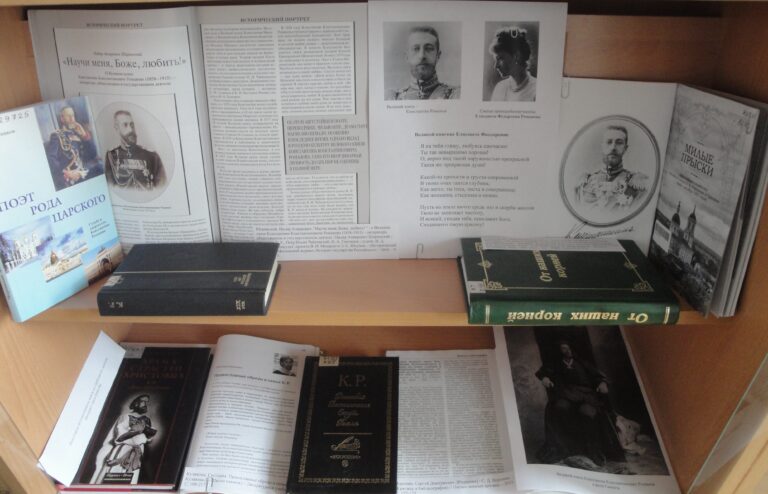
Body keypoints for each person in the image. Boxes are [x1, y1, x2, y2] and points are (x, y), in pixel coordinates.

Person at [535, 341, 625, 466]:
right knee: (559, 408)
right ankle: (566, 448)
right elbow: (542, 372)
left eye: (569, 348)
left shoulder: (582, 363)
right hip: (566, 394)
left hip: (586, 395)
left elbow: (597, 376)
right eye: (564, 348)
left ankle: (593, 450)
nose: (567, 351)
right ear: (560, 351)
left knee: (588, 413)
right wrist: (544, 378)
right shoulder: (556, 364)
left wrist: (602, 383)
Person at [574, 125, 649, 211]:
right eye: (609, 142)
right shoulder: (584, 183)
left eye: (619, 143)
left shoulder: (636, 184)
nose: (613, 147)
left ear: (625, 148)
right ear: (602, 146)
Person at [91, 394, 157, 484]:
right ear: (136, 403)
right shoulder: (125, 416)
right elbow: (119, 436)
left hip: (137, 452)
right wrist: (137, 433)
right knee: (113, 477)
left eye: (147, 402)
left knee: (130, 479)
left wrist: (148, 437)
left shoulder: (147, 419)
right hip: (122, 449)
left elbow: (147, 438)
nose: (145, 404)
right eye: (143, 401)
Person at [388, 25, 460, 100]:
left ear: (438, 55)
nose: (422, 56)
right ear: (407, 56)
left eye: (428, 49)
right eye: (416, 49)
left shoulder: (455, 96)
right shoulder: (394, 98)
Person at [105, 110, 166, 191]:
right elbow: (111, 189)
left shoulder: (152, 156)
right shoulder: (111, 157)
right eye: (125, 125)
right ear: (117, 128)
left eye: (132, 125)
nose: (131, 130)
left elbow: (162, 188)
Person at [46, 105, 99, 189]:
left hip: (83, 171)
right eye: (68, 116)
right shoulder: (56, 135)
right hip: (70, 177)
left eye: (73, 115)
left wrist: (84, 135)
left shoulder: (78, 133)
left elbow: (93, 154)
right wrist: (65, 173)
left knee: (100, 168)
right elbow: (51, 158)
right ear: (62, 119)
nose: (72, 118)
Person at [489, 26, 536, 102]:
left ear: (516, 56)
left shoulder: (535, 90)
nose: (496, 66)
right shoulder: (499, 88)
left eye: (500, 58)